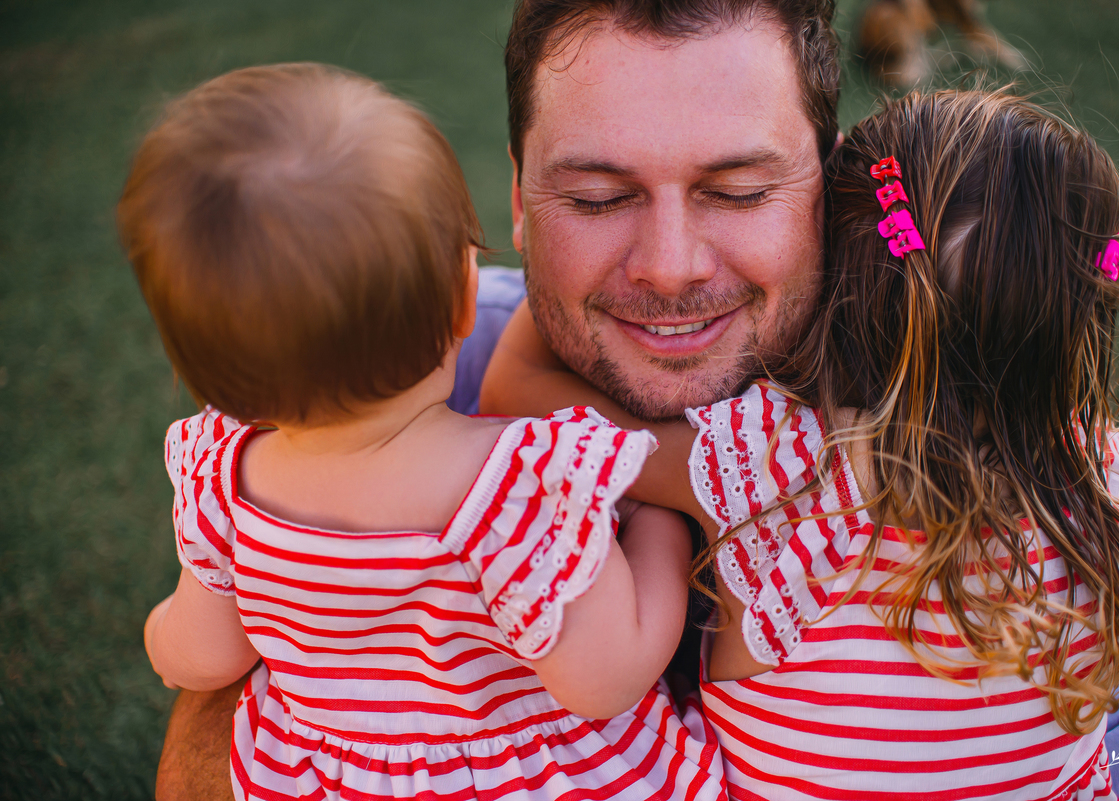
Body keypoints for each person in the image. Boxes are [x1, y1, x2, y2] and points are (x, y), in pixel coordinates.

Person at [154, 2, 1119, 798]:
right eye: (597, 198)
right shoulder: (358, 358)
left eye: (738, 190)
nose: (668, 267)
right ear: (514, 199)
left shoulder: (1002, 447)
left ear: (832, 187)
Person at [485, 87, 1119, 798]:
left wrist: (571, 278)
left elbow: (514, 389)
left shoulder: (784, 469)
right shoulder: (1102, 477)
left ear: (836, 282)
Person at [121, 63, 726, 801]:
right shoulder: (519, 483)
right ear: (459, 307)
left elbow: (201, 652)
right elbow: (605, 676)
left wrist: (159, 633)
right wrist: (660, 524)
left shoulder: (226, 480)